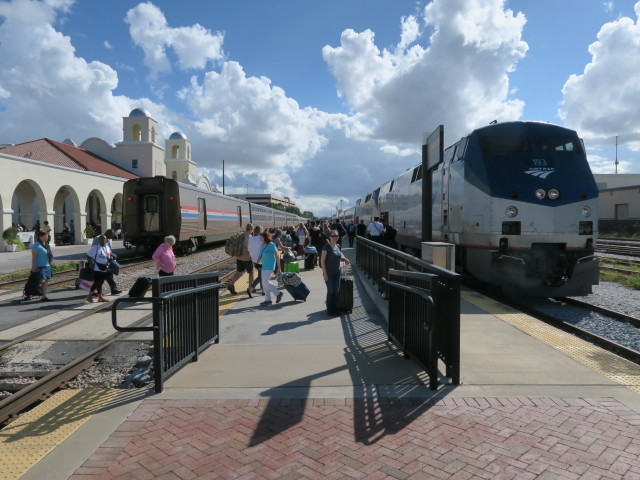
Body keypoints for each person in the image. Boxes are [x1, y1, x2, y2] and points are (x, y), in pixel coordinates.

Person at [321, 229, 350, 316]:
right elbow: (322, 261)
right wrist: (325, 273)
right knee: (331, 291)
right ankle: (330, 309)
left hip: (337, 272)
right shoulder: (326, 247)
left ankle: (335, 308)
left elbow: (339, 254)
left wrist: (344, 258)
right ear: (329, 237)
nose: (335, 237)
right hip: (328, 273)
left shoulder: (337, 246)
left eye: (336, 236)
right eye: (333, 236)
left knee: (336, 291)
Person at [225, 223, 255, 296]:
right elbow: (250, 249)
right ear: (251, 229)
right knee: (251, 273)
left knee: (239, 272)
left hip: (239, 257)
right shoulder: (249, 237)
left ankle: (231, 284)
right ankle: (250, 288)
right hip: (247, 258)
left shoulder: (241, 234)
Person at [91, 229, 122, 294]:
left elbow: (109, 250)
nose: (112, 237)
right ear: (107, 233)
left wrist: (111, 256)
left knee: (108, 275)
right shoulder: (98, 238)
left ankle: (110, 290)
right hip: (99, 262)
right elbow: (95, 249)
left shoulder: (109, 240)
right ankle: (97, 292)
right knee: (103, 277)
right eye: (111, 235)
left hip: (106, 261)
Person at [258, 231, 283, 306]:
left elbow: (277, 256)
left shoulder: (272, 245)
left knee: (265, 281)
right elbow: (260, 255)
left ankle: (278, 293)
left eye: (260, 237)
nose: (259, 239)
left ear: (264, 237)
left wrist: (279, 268)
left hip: (270, 266)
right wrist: (256, 263)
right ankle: (268, 300)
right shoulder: (262, 245)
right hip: (264, 266)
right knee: (264, 283)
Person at [86, 235, 112, 303]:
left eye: (104, 239)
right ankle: (89, 296)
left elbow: (108, 256)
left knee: (100, 282)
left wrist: (110, 258)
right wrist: (91, 264)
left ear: (106, 240)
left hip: (105, 267)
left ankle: (100, 297)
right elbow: (88, 255)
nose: (103, 240)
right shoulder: (95, 247)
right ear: (99, 240)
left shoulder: (107, 248)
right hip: (97, 268)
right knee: (97, 282)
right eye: (101, 239)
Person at [29, 230, 53, 301]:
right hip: (39, 266)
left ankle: (44, 296)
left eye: (47, 236)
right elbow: (34, 257)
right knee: (40, 281)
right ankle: (32, 293)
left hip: (47, 265)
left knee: (46, 281)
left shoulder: (46, 245)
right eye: (45, 236)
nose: (47, 237)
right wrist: (34, 266)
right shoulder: (36, 245)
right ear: (40, 237)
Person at [248, 225, 264, 296]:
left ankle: (263, 290)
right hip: (262, 260)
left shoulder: (250, 239)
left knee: (261, 274)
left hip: (254, 260)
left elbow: (249, 250)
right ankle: (251, 289)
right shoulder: (261, 238)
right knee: (261, 276)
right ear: (261, 231)